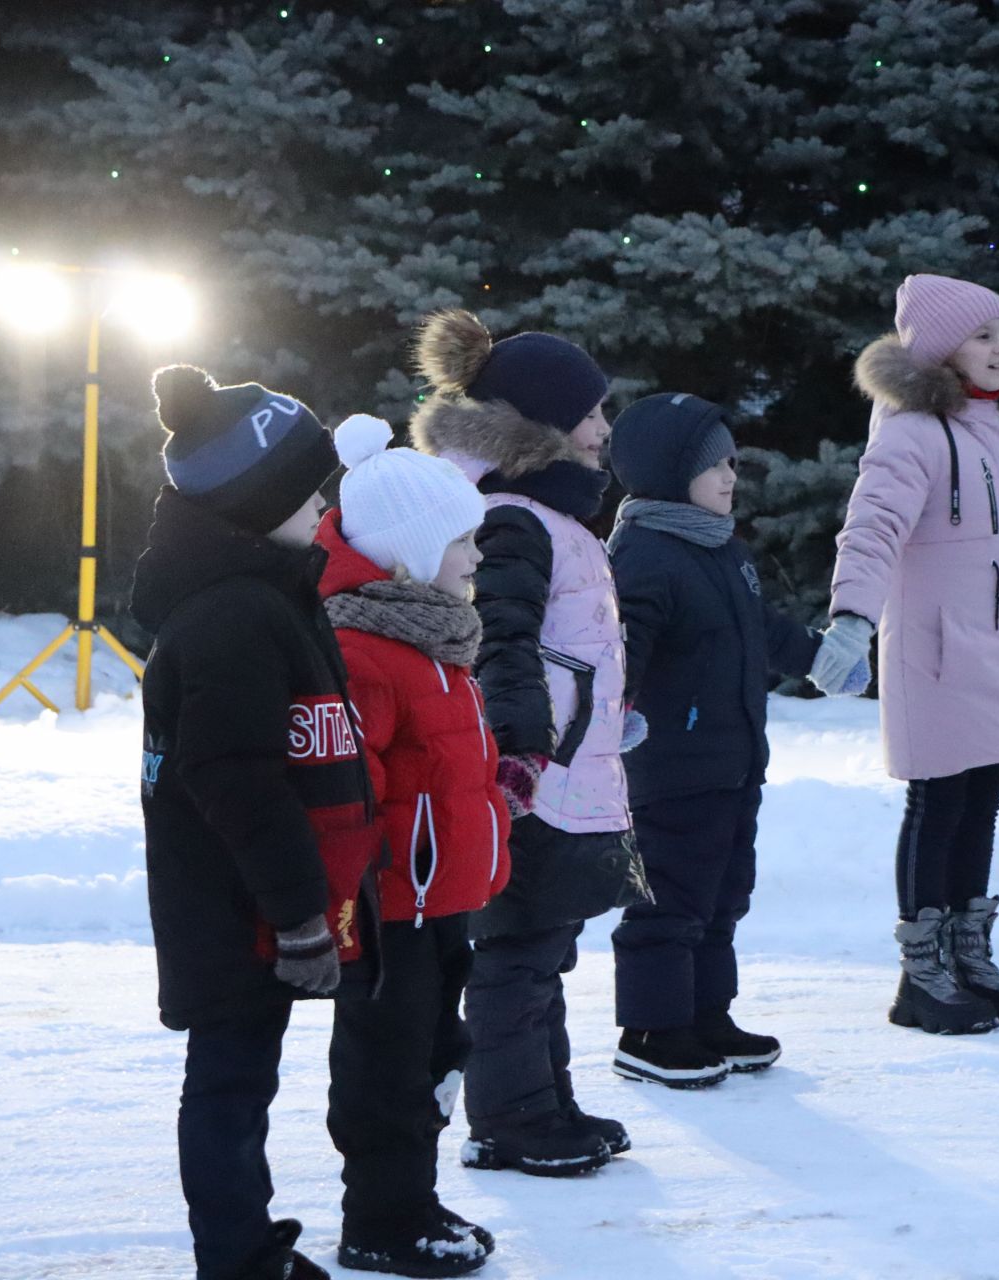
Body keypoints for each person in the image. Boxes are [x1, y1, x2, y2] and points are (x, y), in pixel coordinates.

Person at [813, 273, 999, 1035]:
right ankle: (923, 973)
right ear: (942, 348)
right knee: (938, 802)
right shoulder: (912, 431)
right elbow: (873, 525)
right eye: (982, 335)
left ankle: (969, 954)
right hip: (938, 652)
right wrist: (850, 618)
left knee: (982, 801)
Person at [132, 364, 379, 1280]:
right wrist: (300, 916)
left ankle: (245, 1247)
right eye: (309, 487)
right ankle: (236, 1259)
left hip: (256, 905)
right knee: (231, 1087)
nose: (325, 504)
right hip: (235, 909)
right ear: (253, 500)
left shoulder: (270, 594)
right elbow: (237, 782)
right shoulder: (234, 616)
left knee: (244, 1082)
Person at [411, 308, 645, 1176]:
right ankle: (510, 1118)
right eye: (589, 414)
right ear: (541, 424)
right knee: (515, 952)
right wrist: (521, 752)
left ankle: (548, 1099)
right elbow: (499, 642)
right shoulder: (512, 517)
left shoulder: (551, 515)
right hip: (529, 776)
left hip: (565, 767)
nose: (603, 430)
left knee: (545, 946)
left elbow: (570, 649)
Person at [316, 415, 510, 1275]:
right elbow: (355, 792)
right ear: (406, 553)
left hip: (440, 900)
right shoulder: (364, 648)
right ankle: (381, 1220)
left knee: (435, 1052)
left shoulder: (432, 635)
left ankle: (415, 1200)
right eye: (462, 540)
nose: (476, 557)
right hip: (390, 907)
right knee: (389, 1063)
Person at [605, 392, 839, 1085]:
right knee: (668, 899)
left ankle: (706, 1013)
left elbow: (758, 625)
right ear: (671, 471)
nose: (731, 477)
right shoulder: (644, 552)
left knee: (721, 896)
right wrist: (615, 711)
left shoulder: (719, 548)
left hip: (732, 763)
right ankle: (649, 1030)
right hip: (671, 764)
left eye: (733, 462)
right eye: (715, 466)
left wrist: (817, 657)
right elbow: (624, 645)